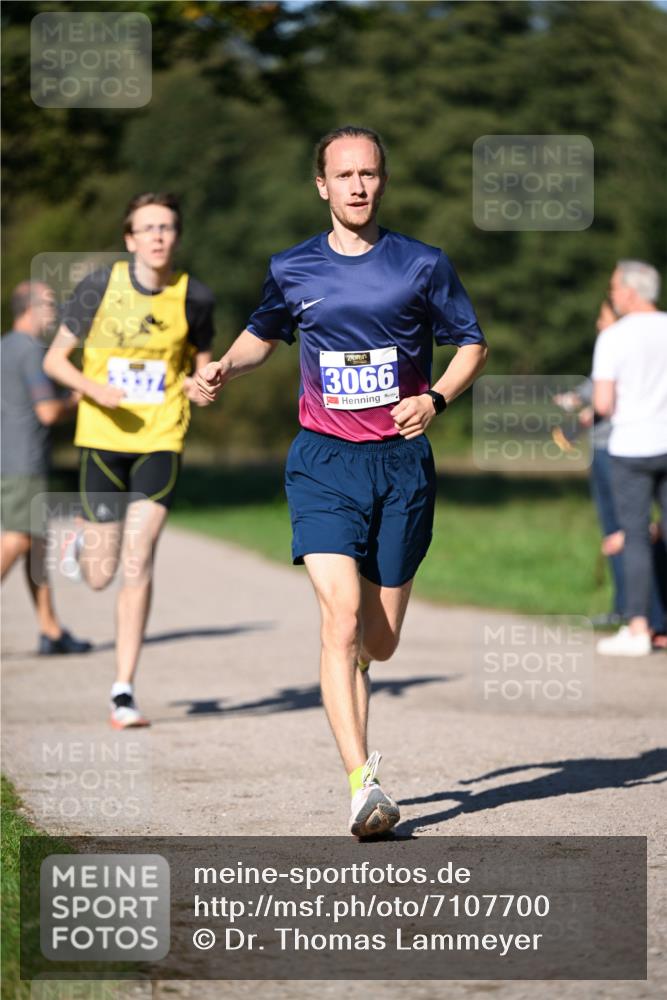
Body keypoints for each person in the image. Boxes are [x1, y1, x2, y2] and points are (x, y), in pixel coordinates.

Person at [196, 126, 488, 836]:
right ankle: (363, 785)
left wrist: (435, 398)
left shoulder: (421, 264)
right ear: (320, 185)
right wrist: (224, 368)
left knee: (378, 643)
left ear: (381, 182)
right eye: (344, 174)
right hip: (323, 462)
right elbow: (262, 332)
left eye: (370, 173)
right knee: (340, 619)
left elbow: (470, 342)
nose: (358, 185)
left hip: (400, 465)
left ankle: (362, 673)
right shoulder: (292, 267)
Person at [43, 192, 215, 726]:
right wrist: (95, 388)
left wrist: (202, 385)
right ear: (130, 238)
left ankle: (123, 690)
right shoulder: (100, 287)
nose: (159, 236)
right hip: (102, 438)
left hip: (161, 437)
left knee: (139, 560)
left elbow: (201, 368)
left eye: (167, 227)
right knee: (99, 574)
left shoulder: (195, 298)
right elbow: (56, 360)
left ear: (176, 237)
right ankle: (77, 536)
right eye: (148, 228)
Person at [1, 281, 91, 654]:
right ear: (30, 308)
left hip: (7, 457)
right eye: (50, 303)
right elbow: (48, 411)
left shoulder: (4, 347)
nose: (55, 310)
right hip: (24, 460)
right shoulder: (33, 352)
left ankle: (50, 630)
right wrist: (78, 396)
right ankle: (50, 630)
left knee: (37, 546)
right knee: (20, 537)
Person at [593, 260, 667, 656]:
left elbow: (604, 401)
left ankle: (638, 628)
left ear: (632, 292)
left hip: (633, 448)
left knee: (635, 536)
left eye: (615, 288)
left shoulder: (616, 337)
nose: (613, 296)